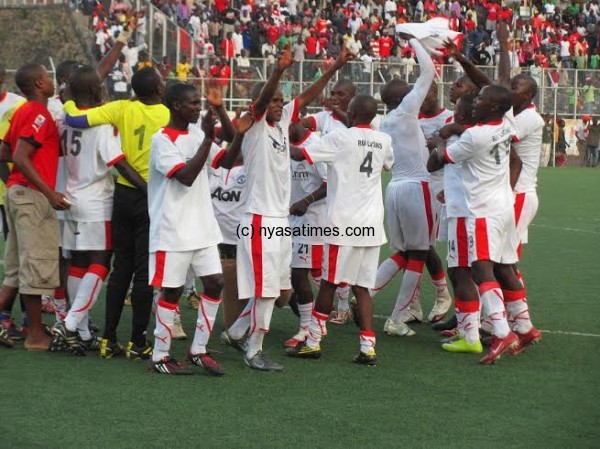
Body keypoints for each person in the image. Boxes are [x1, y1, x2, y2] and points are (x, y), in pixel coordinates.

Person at [217, 43, 355, 371]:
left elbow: (308, 94)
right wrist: (278, 70)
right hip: (259, 218)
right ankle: (254, 350)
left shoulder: (282, 124)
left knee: (280, 288)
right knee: (266, 291)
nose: (280, 105)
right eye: (275, 100)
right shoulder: (254, 124)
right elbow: (263, 100)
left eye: (282, 100)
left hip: (279, 219)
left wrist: (336, 64)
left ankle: (236, 333)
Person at [286, 94, 394, 365]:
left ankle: (312, 342)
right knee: (361, 287)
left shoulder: (339, 138)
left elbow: (301, 153)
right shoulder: (383, 139)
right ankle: (368, 347)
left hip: (344, 224)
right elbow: (387, 164)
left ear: (353, 111)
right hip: (371, 226)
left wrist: (271, 141)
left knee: (329, 283)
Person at [427, 84, 528, 364]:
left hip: (474, 211)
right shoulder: (504, 125)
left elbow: (436, 161)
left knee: (474, 271)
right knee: (496, 268)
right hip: (499, 206)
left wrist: (439, 140)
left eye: (472, 104)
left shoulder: (473, 136)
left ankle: (492, 331)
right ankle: (519, 326)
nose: (470, 107)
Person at [53, 65, 144, 354]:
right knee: (102, 261)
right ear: (94, 90)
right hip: (97, 202)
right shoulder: (102, 126)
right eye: (100, 85)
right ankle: (71, 321)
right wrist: (148, 190)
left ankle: (80, 330)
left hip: (70, 198)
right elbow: (118, 162)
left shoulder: (65, 122)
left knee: (78, 262)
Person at [147, 83, 226, 376]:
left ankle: (198, 350)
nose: (198, 107)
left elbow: (228, 160)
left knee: (215, 283)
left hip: (203, 227)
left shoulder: (196, 133)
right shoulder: (162, 140)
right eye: (193, 103)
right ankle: (160, 356)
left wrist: (236, 129)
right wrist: (207, 138)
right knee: (172, 291)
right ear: (176, 106)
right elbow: (186, 177)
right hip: (173, 228)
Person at [367, 33, 436, 338]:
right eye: (408, 91)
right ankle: (396, 318)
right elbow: (429, 72)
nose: (415, 93)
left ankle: (367, 292)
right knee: (419, 253)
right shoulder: (407, 109)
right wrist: (414, 41)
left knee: (406, 252)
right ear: (400, 98)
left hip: (394, 188)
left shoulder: (384, 121)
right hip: (416, 187)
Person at [0, 63, 69, 350]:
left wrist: (14, 183)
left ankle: (27, 329)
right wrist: (48, 192)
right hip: (31, 196)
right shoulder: (38, 114)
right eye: (47, 77)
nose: (51, 81)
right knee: (35, 266)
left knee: (15, 269)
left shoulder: (21, 111)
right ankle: (35, 335)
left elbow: (4, 151)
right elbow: (19, 154)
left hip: (17, 193)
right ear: (39, 84)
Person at [284, 121, 327, 348]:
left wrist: (306, 200)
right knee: (293, 273)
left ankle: (306, 328)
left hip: (312, 218)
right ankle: (316, 321)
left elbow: (331, 183)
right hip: (289, 217)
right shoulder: (280, 142)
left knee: (299, 274)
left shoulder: (315, 145)